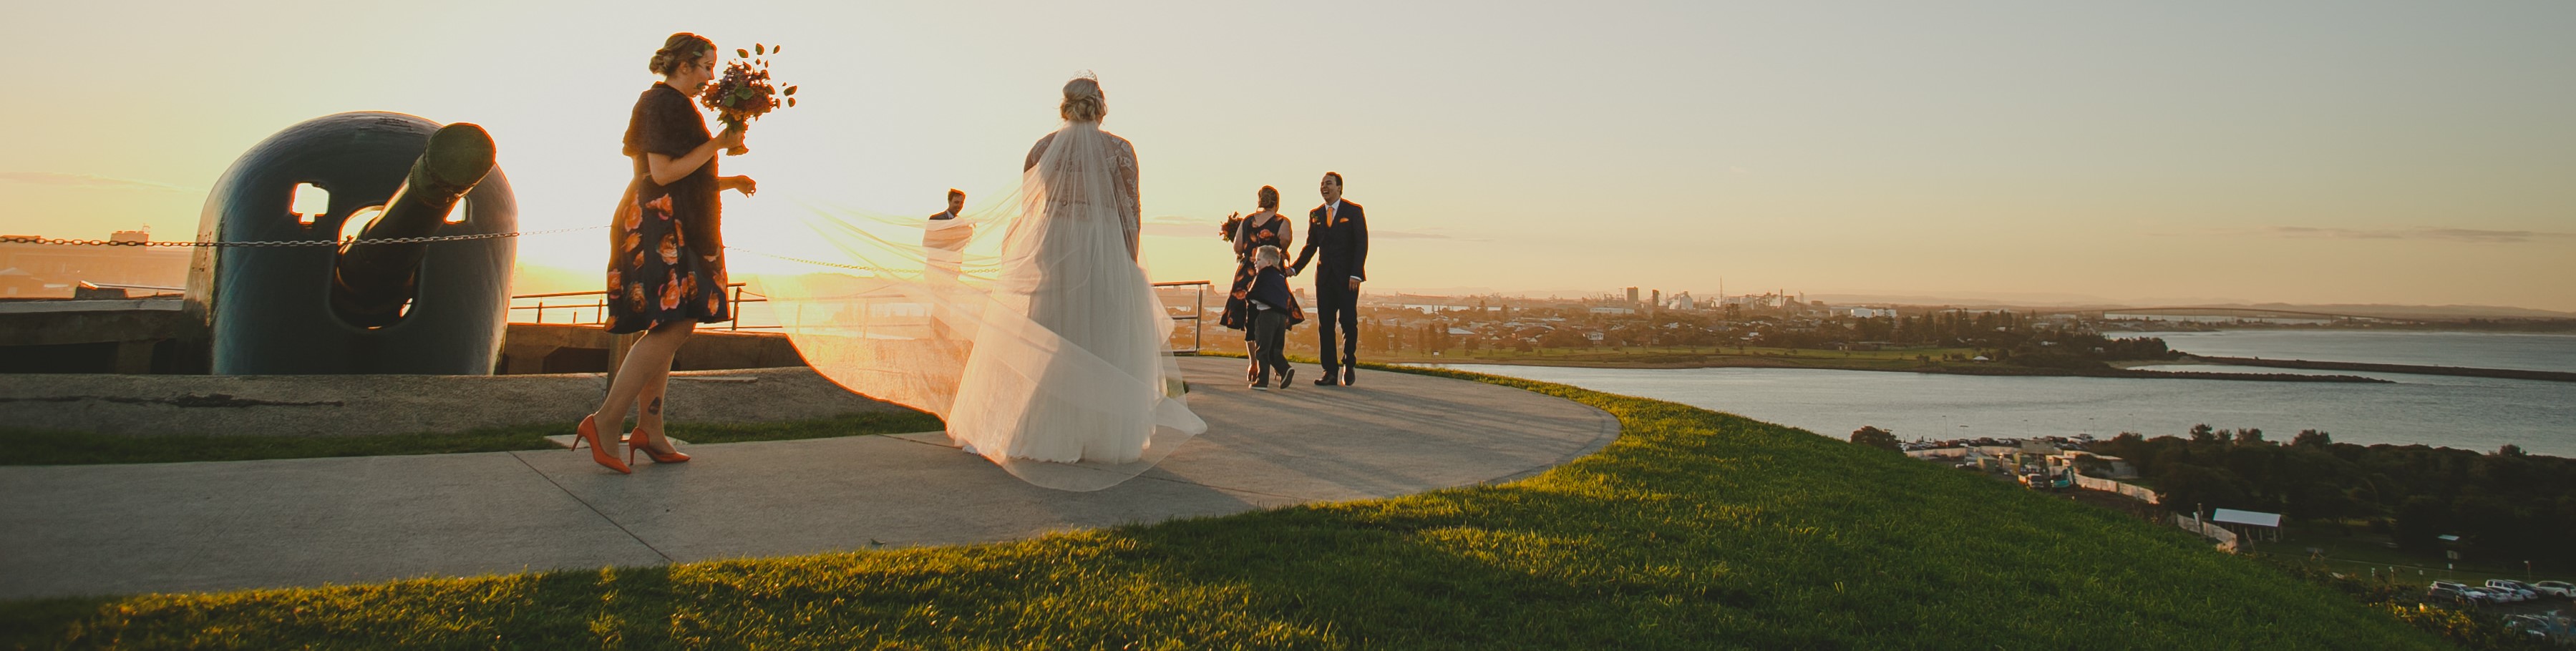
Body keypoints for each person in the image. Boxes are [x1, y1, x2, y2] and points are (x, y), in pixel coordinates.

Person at [936, 74, 1207, 489]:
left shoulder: (1041, 149)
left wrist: (1025, 257)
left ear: (1065, 106)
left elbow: (1030, 212)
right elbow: (1130, 209)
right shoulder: (1120, 150)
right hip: (1100, 246)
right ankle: (1096, 435)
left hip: (1053, 246)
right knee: (1098, 336)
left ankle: (1039, 429)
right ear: (1100, 105)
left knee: (1049, 336)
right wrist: (1128, 261)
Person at [575, 32, 757, 474]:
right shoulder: (661, 104)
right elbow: (662, 172)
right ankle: (605, 422)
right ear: (684, 65)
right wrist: (718, 144)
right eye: (706, 67)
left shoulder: (676, 106)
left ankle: (650, 433)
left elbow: (681, 176)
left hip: (673, 220)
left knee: (671, 322)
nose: (710, 77)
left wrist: (727, 179)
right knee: (677, 325)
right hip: (661, 226)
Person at [1289, 172, 1367, 386]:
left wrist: (1356, 274)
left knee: (1349, 322)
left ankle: (1349, 363)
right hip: (1324, 279)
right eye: (1322, 184)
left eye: (1329, 184)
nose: (1324, 187)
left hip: (1348, 279)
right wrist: (1294, 269)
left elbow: (1361, 244)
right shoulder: (1315, 215)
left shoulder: (1354, 211)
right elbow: (1311, 246)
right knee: (1325, 324)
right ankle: (1329, 371)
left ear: (1340, 188)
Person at [1217, 185, 1293, 381]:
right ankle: (1276, 363)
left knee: (1249, 320)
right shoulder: (1282, 222)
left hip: (1248, 274)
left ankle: (1253, 363)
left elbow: (1237, 247)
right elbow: (1285, 242)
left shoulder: (1247, 221)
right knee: (1275, 316)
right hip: (1270, 275)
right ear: (1276, 202)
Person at [1245, 245, 1303, 390]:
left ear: (1269, 262)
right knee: (1275, 349)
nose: (1255, 263)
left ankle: (1262, 380)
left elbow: (1252, 295)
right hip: (1281, 318)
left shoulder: (1262, 276)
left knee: (1263, 349)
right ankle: (1285, 369)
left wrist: (1250, 299)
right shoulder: (1280, 277)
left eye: (1259, 260)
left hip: (1266, 316)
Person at [923, 188, 971, 284]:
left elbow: (963, 245)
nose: (959, 206)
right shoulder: (936, 219)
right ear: (949, 201)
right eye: (956, 202)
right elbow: (927, 243)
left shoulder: (962, 223)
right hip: (935, 267)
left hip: (952, 269)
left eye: (961, 203)